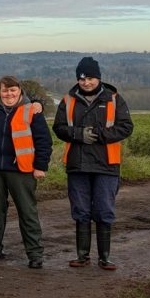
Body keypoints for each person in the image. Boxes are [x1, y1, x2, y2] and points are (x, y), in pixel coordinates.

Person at [52, 56, 134, 270]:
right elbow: (59, 128)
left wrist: (99, 135)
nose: (86, 82)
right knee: (80, 210)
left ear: (98, 78)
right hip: (77, 164)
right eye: (82, 79)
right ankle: (82, 256)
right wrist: (78, 134)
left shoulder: (114, 99)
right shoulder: (68, 100)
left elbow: (126, 127)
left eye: (89, 78)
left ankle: (104, 257)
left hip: (106, 164)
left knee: (104, 209)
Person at [0, 75, 52, 268]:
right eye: (5, 90)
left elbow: (43, 141)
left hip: (21, 169)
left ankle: (35, 253)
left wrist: (40, 166)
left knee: (27, 212)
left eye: (12, 90)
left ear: (20, 91)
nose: (8, 94)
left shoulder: (31, 111)